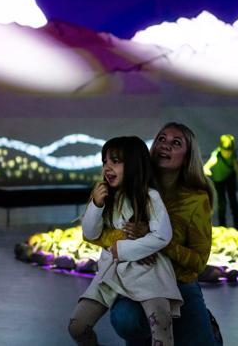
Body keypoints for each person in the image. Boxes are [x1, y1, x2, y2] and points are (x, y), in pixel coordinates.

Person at [86, 122, 222, 345]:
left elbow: (198, 262)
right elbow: (92, 234)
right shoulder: (122, 185)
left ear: (187, 157)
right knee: (126, 320)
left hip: (180, 285)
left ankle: (207, 327)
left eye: (176, 143)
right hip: (137, 281)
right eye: (161, 139)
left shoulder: (196, 199)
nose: (165, 146)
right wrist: (133, 247)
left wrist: (156, 241)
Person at [68, 136, 183, 346]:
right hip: (111, 273)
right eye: (105, 162)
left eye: (115, 161)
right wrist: (96, 203)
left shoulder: (150, 197)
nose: (107, 167)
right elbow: (91, 233)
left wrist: (122, 249)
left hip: (148, 273)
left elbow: (162, 235)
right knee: (77, 326)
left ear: (134, 165)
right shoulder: (106, 197)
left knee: (162, 331)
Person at [203, 134, 238, 228]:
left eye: (229, 151)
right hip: (219, 180)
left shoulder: (232, 154)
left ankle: (237, 223)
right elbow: (208, 165)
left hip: (230, 177)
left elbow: (235, 164)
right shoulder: (216, 155)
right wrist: (206, 169)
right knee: (222, 202)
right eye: (226, 151)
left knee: (233, 199)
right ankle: (222, 224)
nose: (228, 153)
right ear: (221, 148)